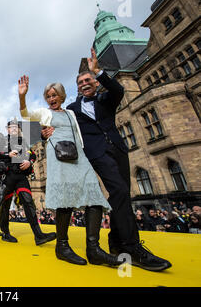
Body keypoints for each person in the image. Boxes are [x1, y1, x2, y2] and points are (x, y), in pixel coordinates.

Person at [42, 48, 171, 271]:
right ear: (77, 87)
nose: (85, 83)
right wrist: (46, 132)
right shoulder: (71, 109)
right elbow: (54, 121)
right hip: (95, 154)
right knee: (119, 192)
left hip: (119, 150)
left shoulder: (106, 99)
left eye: (88, 79)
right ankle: (131, 248)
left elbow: (118, 89)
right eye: (81, 81)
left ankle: (116, 242)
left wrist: (98, 71)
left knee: (123, 195)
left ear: (95, 82)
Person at [19, 75, 119, 266]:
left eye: (54, 95)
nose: (51, 99)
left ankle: (94, 249)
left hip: (79, 156)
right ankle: (62, 247)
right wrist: (22, 97)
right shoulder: (44, 113)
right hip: (59, 156)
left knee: (95, 195)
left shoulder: (71, 112)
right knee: (65, 199)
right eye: (48, 96)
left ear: (62, 96)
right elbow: (26, 116)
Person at [0, 119, 57, 246]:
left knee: (29, 202)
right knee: (5, 205)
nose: (14, 129)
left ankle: (39, 235)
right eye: (11, 127)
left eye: (16, 127)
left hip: (21, 176)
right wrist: (7, 154)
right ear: (7, 129)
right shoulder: (1, 140)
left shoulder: (23, 141)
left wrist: (29, 162)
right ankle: (5, 233)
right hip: (7, 176)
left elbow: (32, 154)